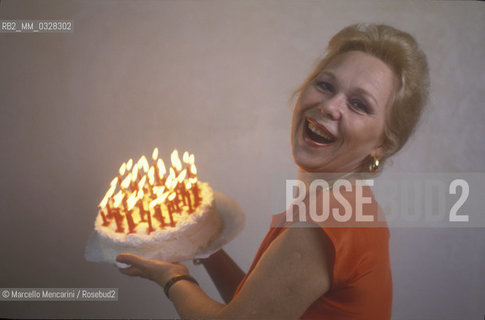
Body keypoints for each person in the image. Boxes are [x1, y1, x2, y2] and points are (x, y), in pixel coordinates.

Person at [116, 23, 429, 319]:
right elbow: (258, 306)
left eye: (359, 104)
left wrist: (173, 277)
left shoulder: (333, 217)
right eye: (325, 85)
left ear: (383, 145)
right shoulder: (343, 204)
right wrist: (208, 249)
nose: (330, 106)